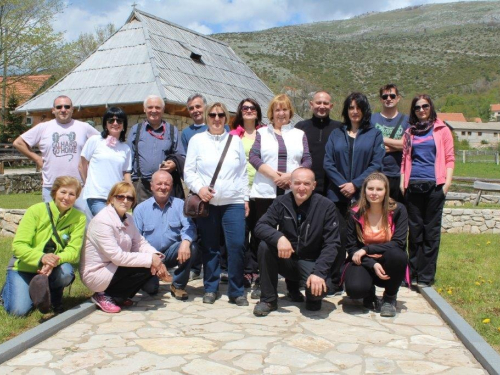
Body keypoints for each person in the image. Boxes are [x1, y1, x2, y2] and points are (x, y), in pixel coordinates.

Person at [184, 102, 249, 306]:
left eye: (221, 114)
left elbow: (242, 173)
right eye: (212, 114)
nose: (217, 118)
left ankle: (236, 290)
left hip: (233, 202)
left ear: (226, 118)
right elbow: (189, 171)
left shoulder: (235, 141)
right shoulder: (197, 140)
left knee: (237, 245)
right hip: (208, 203)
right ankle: (210, 288)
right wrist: (199, 188)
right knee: (210, 247)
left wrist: (245, 198)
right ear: (206, 116)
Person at [253, 168, 340, 316]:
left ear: (314, 185)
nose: (301, 188)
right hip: (288, 258)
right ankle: (268, 299)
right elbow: (260, 226)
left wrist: (319, 273)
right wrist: (279, 238)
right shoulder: (281, 202)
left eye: (306, 184)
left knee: (315, 299)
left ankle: (297, 289)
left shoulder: (326, 206)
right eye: (297, 183)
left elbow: (332, 244)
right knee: (265, 246)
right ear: (290, 184)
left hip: (311, 262)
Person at [249, 93, 312, 300]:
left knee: (292, 236)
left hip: (292, 193)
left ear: (289, 112)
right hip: (265, 192)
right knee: (264, 237)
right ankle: (262, 280)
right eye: (277, 109)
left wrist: (291, 178)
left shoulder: (298, 134)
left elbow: (307, 159)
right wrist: (275, 177)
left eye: (285, 109)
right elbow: (254, 156)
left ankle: (292, 284)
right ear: (271, 113)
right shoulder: (261, 133)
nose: (281, 113)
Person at [324, 92, 385, 296]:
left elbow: (376, 163)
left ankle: (363, 281)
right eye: (351, 107)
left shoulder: (374, 134)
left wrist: (356, 184)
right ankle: (335, 279)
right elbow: (328, 162)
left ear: (364, 110)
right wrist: (344, 184)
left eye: (358, 107)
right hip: (337, 196)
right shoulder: (336, 134)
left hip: (363, 197)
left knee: (361, 239)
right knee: (337, 239)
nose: (354, 111)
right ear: (345, 110)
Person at [1, 176, 86, 316]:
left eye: (72, 194)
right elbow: (18, 245)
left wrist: (53, 260)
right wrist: (42, 257)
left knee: (66, 272)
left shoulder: (79, 218)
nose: (67, 197)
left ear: (76, 197)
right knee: (18, 311)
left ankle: (52, 295)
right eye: (63, 192)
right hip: (23, 268)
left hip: (53, 268)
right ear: (54, 193)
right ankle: (8, 291)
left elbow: (73, 251)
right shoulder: (35, 211)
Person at [80, 182, 169, 313]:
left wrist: (156, 257)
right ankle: (104, 295)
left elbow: (139, 243)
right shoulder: (102, 221)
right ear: (111, 198)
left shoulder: (128, 218)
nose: (125, 201)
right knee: (146, 264)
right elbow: (117, 257)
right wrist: (150, 260)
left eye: (130, 198)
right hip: (97, 272)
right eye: (120, 197)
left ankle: (118, 296)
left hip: (113, 267)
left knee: (149, 265)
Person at [401, 94, 454, 287]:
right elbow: (404, 159)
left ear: (430, 107)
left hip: (434, 186)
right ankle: (413, 274)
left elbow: (450, 158)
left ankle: (426, 277)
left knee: (430, 232)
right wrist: (402, 182)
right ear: (413, 111)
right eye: (417, 107)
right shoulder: (409, 132)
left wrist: (446, 184)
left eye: (425, 106)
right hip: (413, 186)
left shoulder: (442, 130)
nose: (421, 110)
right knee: (414, 232)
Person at [13, 95, 99, 212]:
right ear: (53, 110)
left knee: (82, 223)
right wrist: (36, 158)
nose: (63, 110)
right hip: (52, 186)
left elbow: (102, 144)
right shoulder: (43, 128)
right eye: (59, 107)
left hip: (79, 186)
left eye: (67, 106)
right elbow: (18, 143)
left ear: (72, 109)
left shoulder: (84, 127)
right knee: (52, 223)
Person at [343, 172, 408, 317]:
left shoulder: (398, 210)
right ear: (364, 190)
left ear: (386, 191)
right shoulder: (354, 212)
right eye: (370, 189)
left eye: (379, 189)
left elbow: (398, 243)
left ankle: (389, 298)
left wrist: (367, 249)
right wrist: (371, 262)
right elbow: (351, 247)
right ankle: (369, 293)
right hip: (363, 260)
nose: (374, 193)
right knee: (355, 290)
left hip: (388, 259)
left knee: (398, 255)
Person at [133, 170, 198, 300]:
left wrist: (185, 242)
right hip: (149, 256)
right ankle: (152, 277)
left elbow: (189, 227)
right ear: (151, 186)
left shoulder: (180, 205)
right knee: (151, 289)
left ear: (172, 186)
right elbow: (136, 241)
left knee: (191, 246)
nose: (163, 187)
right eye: (159, 184)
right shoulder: (140, 209)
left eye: (167, 184)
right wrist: (153, 260)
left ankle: (178, 285)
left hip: (171, 253)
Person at [230, 98, 265, 289]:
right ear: (240, 111)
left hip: (261, 190)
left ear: (258, 112)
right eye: (245, 108)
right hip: (239, 191)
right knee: (242, 233)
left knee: (259, 231)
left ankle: (258, 270)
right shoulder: (234, 135)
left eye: (252, 108)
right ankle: (245, 270)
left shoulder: (266, 133)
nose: (249, 110)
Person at [127, 95, 185, 205]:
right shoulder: (136, 129)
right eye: (150, 107)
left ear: (163, 110)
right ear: (144, 109)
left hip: (164, 187)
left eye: (158, 108)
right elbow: (128, 159)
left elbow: (181, 156)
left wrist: (173, 164)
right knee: (141, 218)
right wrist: (128, 183)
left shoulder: (172, 130)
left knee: (165, 218)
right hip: (142, 186)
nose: (154, 110)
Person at [79, 107, 132, 217]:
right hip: (96, 195)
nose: (115, 123)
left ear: (124, 125)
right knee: (107, 222)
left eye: (119, 121)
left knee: (113, 229)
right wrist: (88, 184)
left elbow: (126, 173)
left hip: (117, 196)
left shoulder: (125, 148)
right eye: (111, 120)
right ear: (105, 124)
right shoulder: (95, 140)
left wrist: (130, 193)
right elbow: (82, 165)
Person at [295, 91, 342, 196]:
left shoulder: (340, 128)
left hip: (332, 187)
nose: (322, 106)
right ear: (311, 104)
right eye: (318, 103)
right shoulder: (300, 127)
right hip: (305, 185)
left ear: (331, 106)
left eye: (325, 103)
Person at [370, 84, 409, 203]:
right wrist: (397, 146)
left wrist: (380, 138)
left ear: (398, 98)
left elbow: (406, 145)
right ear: (381, 99)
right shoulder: (372, 119)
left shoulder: (407, 120)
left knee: (398, 211)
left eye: (392, 96)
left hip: (399, 174)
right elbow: (369, 145)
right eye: (385, 96)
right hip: (377, 173)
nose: (388, 99)